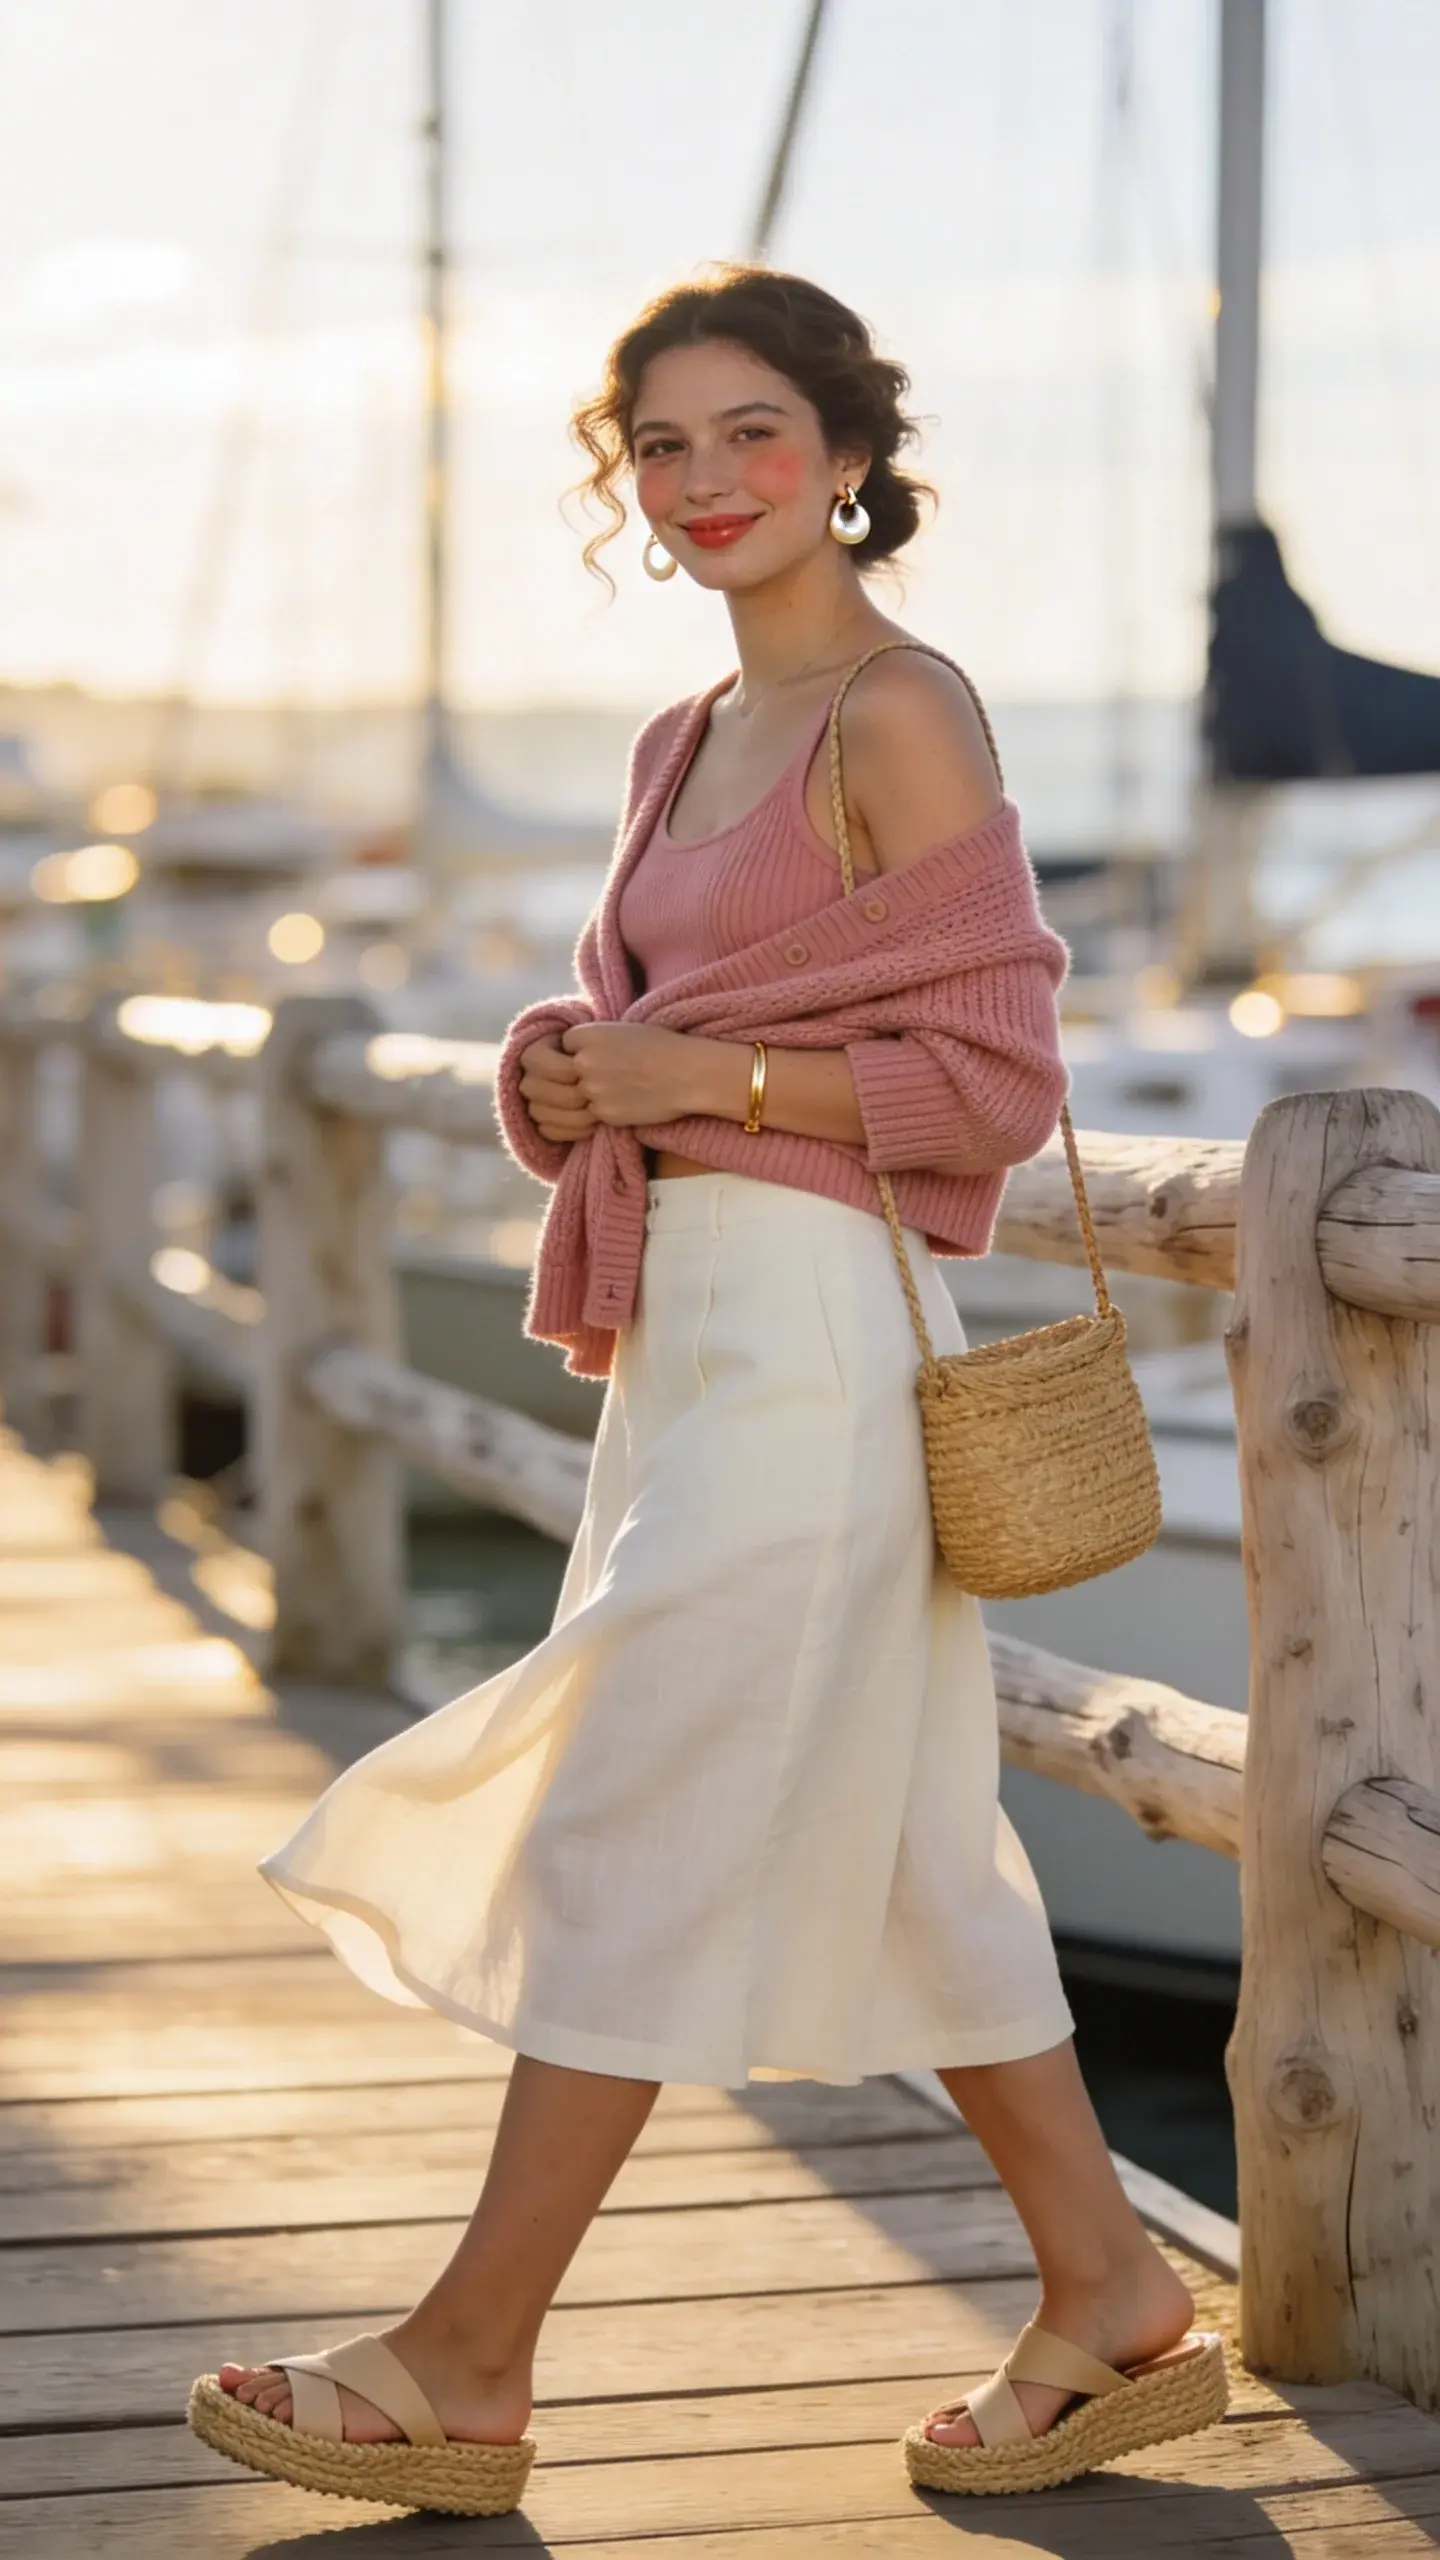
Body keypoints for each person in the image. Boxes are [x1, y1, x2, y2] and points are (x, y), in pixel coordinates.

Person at [189, 265, 1222, 2515]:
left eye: (755, 433)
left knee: (636, 1794)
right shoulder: (682, 742)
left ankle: (468, 2353)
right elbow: (650, 1041)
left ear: (847, 455)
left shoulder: (899, 708)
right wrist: (571, 1070)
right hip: (700, 1344)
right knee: (919, 1849)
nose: (708, 481)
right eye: (663, 446)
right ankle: (1114, 2292)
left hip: (826, 1346)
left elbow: (991, 1070)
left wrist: (707, 1067)